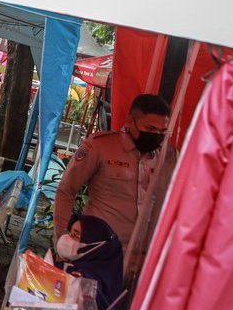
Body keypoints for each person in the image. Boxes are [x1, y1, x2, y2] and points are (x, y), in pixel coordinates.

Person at [53, 94, 170, 246]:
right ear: (130, 121)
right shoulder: (100, 146)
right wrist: (62, 239)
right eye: (150, 128)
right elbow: (66, 191)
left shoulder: (164, 158)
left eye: (162, 132)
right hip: (96, 249)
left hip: (138, 257)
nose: (156, 136)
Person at [54, 214, 125, 310]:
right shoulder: (74, 266)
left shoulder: (95, 285)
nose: (67, 238)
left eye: (76, 235)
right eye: (70, 232)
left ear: (94, 241)